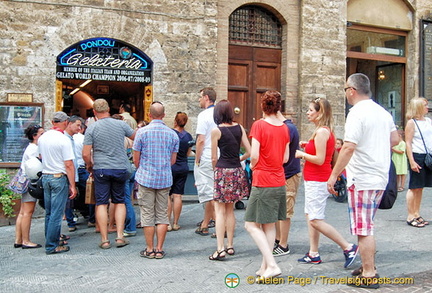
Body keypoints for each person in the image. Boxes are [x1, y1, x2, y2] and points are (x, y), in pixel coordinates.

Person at [327, 73, 398, 289]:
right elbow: (395, 139)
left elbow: (349, 147)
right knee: (366, 224)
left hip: (363, 178)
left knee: (363, 228)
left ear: (352, 90)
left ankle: (369, 272)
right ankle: (369, 265)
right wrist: (376, 149)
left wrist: (334, 174)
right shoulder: (382, 112)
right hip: (379, 176)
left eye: (345, 89)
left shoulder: (357, 113)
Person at [295, 98, 358, 268]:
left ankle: (348, 247)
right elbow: (322, 152)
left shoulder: (322, 132)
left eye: (310, 110)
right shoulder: (323, 131)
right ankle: (313, 253)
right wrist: (308, 146)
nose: (307, 113)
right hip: (313, 179)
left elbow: (320, 159)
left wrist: (301, 154)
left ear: (319, 112)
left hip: (317, 179)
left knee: (315, 219)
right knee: (311, 216)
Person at [244, 90, 290, 279]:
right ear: (278, 107)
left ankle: (271, 264)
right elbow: (286, 157)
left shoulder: (259, 125)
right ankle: (265, 267)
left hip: (262, 180)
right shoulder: (284, 127)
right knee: (269, 226)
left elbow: (254, 155)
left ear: (263, 106)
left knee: (250, 225)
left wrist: (255, 166)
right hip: (279, 179)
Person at [82, 99, 135, 249]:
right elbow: (135, 137)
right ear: (109, 110)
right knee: (119, 201)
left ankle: (104, 239)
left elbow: (86, 153)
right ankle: (119, 236)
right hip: (120, 167)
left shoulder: (92, 128)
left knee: (101, 203)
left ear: (94, 112)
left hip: (101, 169)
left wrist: (90, 165)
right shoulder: (120, 124)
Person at [133, 101, 179, 259]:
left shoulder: (141, 132)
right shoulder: (172, 134)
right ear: (164, 115)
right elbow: (173, 160)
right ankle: (159, 249)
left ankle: (149, 248)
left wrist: (143, 168)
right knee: (162, 215)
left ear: (149, 115)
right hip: (164, 179)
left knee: (147, 214)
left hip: (146, 178)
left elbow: (136, 159)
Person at [209, 100, 250, 260]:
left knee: (219, 211)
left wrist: (216, 170)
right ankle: (230, 245)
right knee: (230, 210)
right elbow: (251, 151)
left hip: (222, 170)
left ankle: (220, 248)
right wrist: (240, 158)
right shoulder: (239, 128)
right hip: (236, 170)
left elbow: (213, 157)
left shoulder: (216, 131)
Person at [38, 111, 77, 254]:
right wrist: (72, 185)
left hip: (46, 175)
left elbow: (41, 156)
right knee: (56, 213)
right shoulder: (63, 139)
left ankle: (49, 239)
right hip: (58, 177)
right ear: (66, 122)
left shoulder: (43, 137)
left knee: (49, 212)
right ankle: (52, 245)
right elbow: (69, 164)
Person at [272, 111, 301, 257]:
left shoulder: (287, 128)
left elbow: (282, 154)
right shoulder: (286, 127)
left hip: (289, 174)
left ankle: (284, 244)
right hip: (282, 173)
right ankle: (278, 239)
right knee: (279, 210)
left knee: (285, 211)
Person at [14, 124, 44, 249]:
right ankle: (26, 240)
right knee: (28, 212)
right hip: (29, 180)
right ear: (35, 136)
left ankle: (19, 239)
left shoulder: (30, 147)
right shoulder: (34, 149)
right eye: (41, 134)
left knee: (22, 212)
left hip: (23, 178)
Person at [404, 97, 432, 228]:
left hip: (427, 155)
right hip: (417, 155)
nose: (428, 107)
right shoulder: (411, 123)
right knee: (414, 186)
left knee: (420, 187)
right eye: (425, 105)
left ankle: (417, 213)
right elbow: (408, 143)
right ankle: (410, 215)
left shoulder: (428, 121)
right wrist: (412, 161)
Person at [194, 88, 217, 236]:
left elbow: (201, 140)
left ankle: (221, 225)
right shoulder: (221, 114)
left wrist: (197, 159)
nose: (199, 100)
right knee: (213, 192)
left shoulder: (204, 115)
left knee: (209, 194)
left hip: (207, 156)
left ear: (207, 98)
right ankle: (205, 223)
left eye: (200, 97)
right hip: (220, 155)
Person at [167, 112, 193, 232]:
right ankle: (176, 223)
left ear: (175, 121)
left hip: (170, 166)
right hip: (183, 166)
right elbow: (188, 153)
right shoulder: (188, 137)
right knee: (178, 195)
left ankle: (167, 223)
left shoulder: (170, 134)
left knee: (167, 195)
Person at [63, 116, 82, 232]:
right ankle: (70, 221)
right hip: (66, 174)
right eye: (77, 125)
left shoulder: (72, 138)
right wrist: (72, 182)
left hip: (72, 172)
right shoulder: (65, 139)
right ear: (69, 124)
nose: (79, 128)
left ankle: (71, 220)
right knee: (68, 199)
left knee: (70, 199)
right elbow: (68, 163)